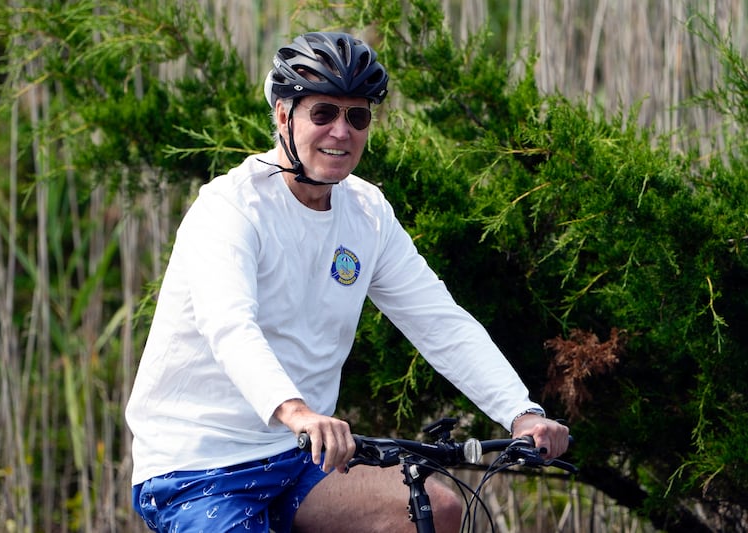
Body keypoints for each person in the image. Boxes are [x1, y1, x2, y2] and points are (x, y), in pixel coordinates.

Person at [126, 31, 570, 533]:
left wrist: (522, 412)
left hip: (297, 460)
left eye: (356, 116)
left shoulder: (367, 211)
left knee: (433, 511)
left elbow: (439, 322)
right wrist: (296, 412)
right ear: (282, 116)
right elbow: (229, 327)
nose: (341, 131)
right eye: (323, 114)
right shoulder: (230, 208)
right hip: (197, 464)